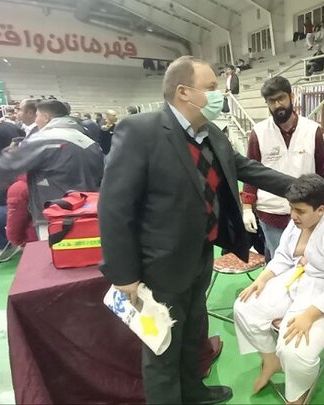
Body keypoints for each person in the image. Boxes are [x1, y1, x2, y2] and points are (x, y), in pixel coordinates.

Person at [96, 55, 295, 404]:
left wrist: (301, 187)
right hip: (159, 264)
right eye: (212, 87)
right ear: (184, 92)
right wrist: (123, 273)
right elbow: (114, 207)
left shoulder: (211, 133)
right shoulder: (141, 131)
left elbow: (246, 168)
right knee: (162, 348)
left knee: (193, 334)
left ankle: (192, 391)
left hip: (200, 255)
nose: (220, 94)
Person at [234, 174, 324, 404]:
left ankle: (298, 394)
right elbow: (284, 256)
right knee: (244, 307)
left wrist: (309, 315)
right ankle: (271, 361)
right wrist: (263, 278)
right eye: (291, 208)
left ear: (321, 210)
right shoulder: (298, 224)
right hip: (301, 278)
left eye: (300, 211)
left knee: (294, 349)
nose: (293, 215)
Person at [0, 100, 104, 235]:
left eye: (37, 116)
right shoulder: (87, 139)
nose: (36, 121)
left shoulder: (44, 139)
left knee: (52, 250)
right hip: (88, 210)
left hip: (55, 213)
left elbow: (7, 165)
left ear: (46, 117)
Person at [241, 76, 324, 260]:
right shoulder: (259, 132)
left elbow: (323, 173)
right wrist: (247, 208)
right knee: (278, 263)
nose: (277, 105)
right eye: (271, 101)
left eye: (281, 98)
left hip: (306, 212)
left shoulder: (312, 130)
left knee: (307, 262)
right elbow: (251, 173)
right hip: (271, 214)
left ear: (292, 96)